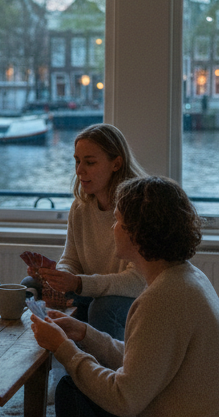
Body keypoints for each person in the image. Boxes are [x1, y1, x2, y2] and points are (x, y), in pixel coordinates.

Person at [21, 175, 219, 417]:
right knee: (72, 388)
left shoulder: (163, 299)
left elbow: (125, 398)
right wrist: (86, 334)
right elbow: (144, 361)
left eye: (118, 220)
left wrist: (64, 349)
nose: (113, 226)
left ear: (137, 235)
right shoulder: (183, 277)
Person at [24, 123, 148, 340]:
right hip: (91, 290)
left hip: (133, 297)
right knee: (28, 286)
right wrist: (57, 276)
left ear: (116, 163)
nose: (79, 170)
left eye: (89, 162)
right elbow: (71, 258)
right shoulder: (80, 207)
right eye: (77, 161)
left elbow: (137, 281)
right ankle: (42, 363)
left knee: (102, 308)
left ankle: (102, 371)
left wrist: (78, 283)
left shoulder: (138, 208)